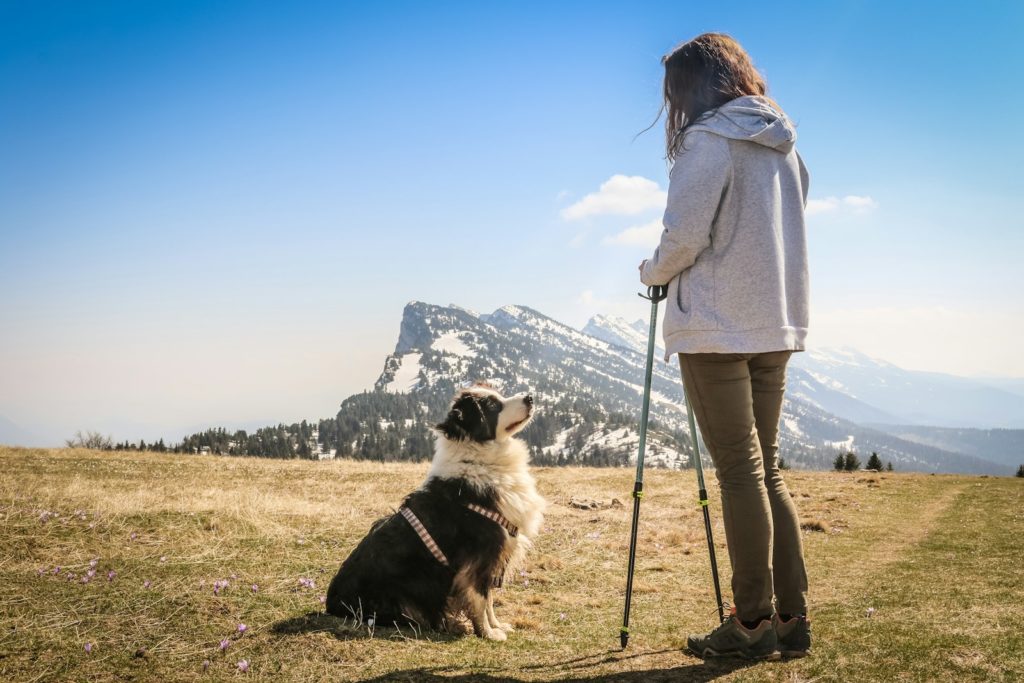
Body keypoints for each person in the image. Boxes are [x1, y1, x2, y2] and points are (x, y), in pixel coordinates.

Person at [638, 33, 811, 661]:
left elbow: (684, 235)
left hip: (716, 326)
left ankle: (749, 625)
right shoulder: (784, 145)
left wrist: (652, 272)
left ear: (692, 87)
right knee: (767, 469)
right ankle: (790, 620)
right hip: (776, 322)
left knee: (740, 473)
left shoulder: (706, 143)